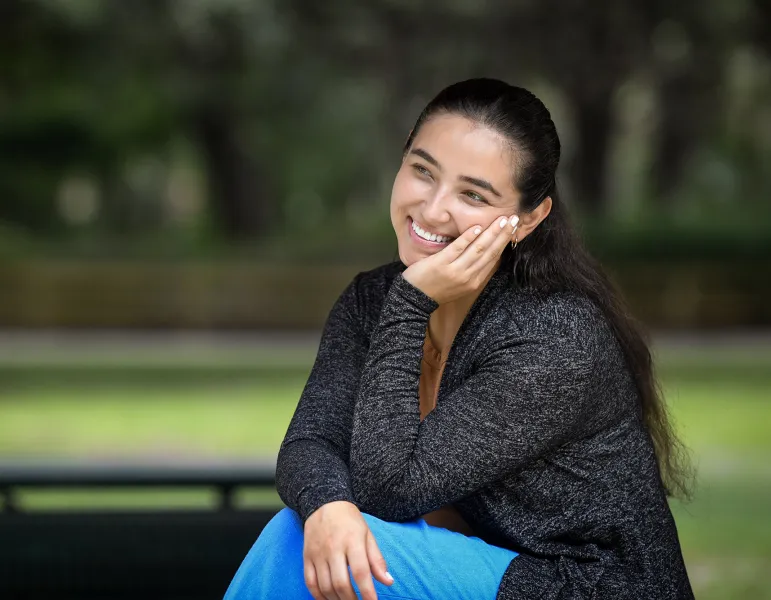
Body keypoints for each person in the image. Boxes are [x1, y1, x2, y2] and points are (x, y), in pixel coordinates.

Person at [224, 78, 695, 600]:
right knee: (310, 529)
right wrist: (329, 508)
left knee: (297, 547)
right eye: (423, 171)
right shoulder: (369, 299)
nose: (432, 209)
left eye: (472, 194)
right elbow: (310, 443)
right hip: (487, 566)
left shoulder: (554, 336)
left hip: (584, 583)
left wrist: (410, 304)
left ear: (529, 219)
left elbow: (389, 490)